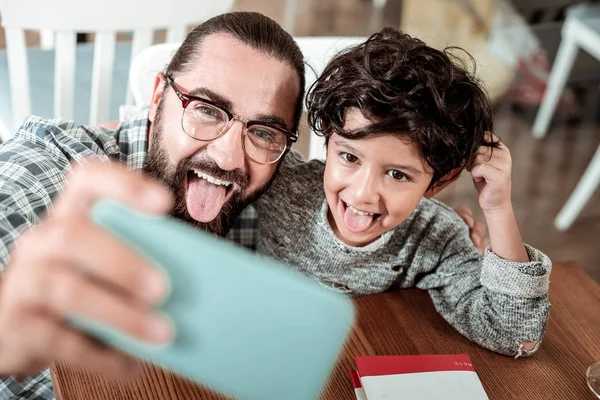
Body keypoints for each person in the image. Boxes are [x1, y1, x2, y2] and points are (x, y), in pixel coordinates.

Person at [0, 12, 485, 399]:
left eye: (263, 131)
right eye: (207, 109)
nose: (230, 156)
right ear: (156, 98)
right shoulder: (56, 170)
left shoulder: (274, 192)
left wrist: (438, 232)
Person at [253, 28, 551, 357]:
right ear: (327, 135)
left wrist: (497, 209)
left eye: (397, 174)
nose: (364, 193)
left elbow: (515, 336)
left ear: (439, 182)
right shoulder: (279, 181)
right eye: (349, 157)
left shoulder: (436, 238)